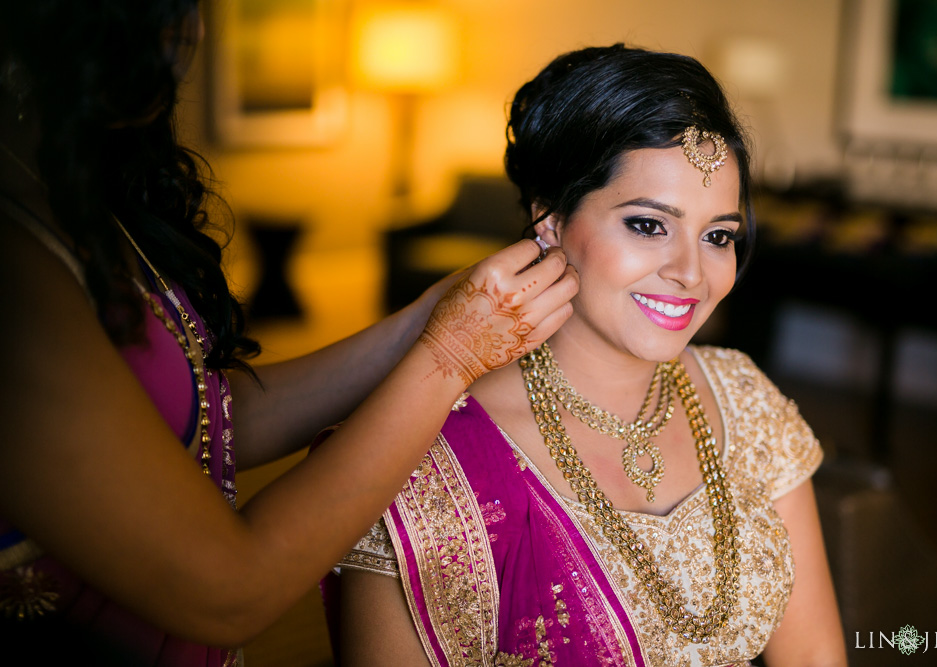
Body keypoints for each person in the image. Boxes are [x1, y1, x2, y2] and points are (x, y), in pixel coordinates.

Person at [0, 2, 578, 664]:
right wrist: (447, 355)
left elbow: (210, 422)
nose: (190, 32)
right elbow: (226, 589)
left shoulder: (69, 200)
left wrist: (426, 317)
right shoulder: (16, 275)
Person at [333, 44, 848, 666]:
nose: (690, 273)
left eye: (718, 236)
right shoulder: (425, 456)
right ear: (549, 220)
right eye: (648, 225)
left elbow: (816, 654)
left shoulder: (745, 399)